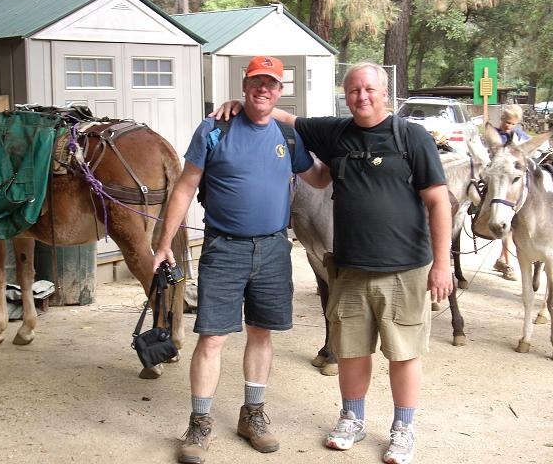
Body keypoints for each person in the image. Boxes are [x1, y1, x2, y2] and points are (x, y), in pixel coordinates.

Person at [216, 61, 453, 464]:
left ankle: (403, 430)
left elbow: (437, 200)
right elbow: (284, 115)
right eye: (354, 90)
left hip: (404, 269)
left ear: (385, 93)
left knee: (403, 353)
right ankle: (352, 419)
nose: (362, 96)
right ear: (346, 95)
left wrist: (442, 263)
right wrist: (239, 104)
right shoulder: (336, 132)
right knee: (352, 351)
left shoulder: (410, 137)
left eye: (369, 89)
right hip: (349, 268)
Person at [153, 55, 330, 464]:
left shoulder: (288, 137)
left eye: (271, 83)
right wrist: (164, 244)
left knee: (261, 333)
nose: (262, 89)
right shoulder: (216, 128)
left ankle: (253, 414)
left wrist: (342, 155)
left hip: (272, 250)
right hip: (224, 248)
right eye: (256, 82)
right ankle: (199, 423)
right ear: (245, 85)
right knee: (212, 337)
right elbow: (184, 187)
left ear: (280, 90)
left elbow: (318, 177)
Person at [492, 104, 530, 281]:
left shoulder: (519, 137)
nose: (509, 126)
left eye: (513, 124)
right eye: (507, 122)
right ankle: (507, 263)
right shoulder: (494, 136)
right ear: (501, 119)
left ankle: (502, 258)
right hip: (496, 182)